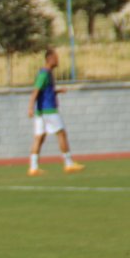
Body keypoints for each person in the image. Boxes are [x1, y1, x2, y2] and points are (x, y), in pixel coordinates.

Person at [27, 48, 83, 176]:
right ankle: (69, 164)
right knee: (61, 133)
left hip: (41, 111)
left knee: (39, 137)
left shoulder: (47, 73)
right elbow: (36, 91)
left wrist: (57, 91)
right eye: (56, 57)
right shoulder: (44, 74)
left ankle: (33, 167)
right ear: (50, 59)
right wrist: (30, 107)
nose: (58, 60)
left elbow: (44, 91)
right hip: (49, 110)